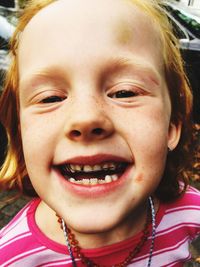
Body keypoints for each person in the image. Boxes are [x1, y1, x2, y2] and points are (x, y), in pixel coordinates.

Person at [0, 0, 200, 266]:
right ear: (21, 132)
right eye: (50, 98)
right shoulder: (11, 257)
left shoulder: (191, 212)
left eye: (125, 92)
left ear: (171, 127)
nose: (86, 118)